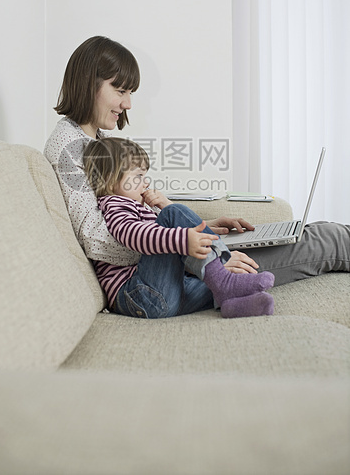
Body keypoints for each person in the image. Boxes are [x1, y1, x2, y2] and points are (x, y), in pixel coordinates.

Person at [44, 36, 350, 312]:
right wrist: (199, 249)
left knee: (315, 231)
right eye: (120, 90)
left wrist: (205, 229)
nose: (127, 104)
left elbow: (130, 213)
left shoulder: (92, 142)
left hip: (177, 255)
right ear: (88, 83)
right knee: (326, 240)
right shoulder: (68, 146)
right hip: (173, 261)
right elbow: (97, 239)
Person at [83, 136, 275, 318]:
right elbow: (131, 234)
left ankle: (230, 301)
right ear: (110, 178)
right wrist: (182, 239)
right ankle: (223, 280)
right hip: (139, 295)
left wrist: (164, 206)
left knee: (209, 284)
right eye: (139, 175)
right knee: (173, 214)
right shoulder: (115, 203)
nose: (146, 182)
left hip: (162, 297)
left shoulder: (137, 206)